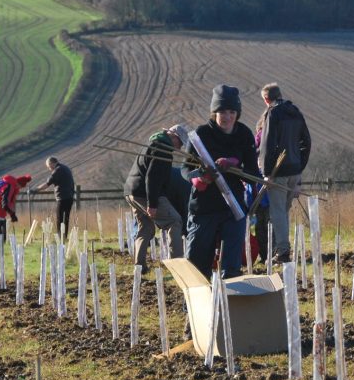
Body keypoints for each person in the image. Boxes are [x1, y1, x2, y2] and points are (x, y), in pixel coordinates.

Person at [183, 85, 260, 279]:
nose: (227, 117)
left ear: (237, 113)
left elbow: (254, 174)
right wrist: (199, 179)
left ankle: (229, 305)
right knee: (198, 264)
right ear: (214, 112)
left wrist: (236, 165)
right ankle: (197, 306)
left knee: (231, 266)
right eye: (222, 112)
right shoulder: (200, 135)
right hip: (204, 208)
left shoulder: (244, 135)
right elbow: (185, 170)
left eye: (232, 112)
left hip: (233, 209)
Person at [256, 83, 311, 264]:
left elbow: (268, 144)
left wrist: (266, 172)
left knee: (278, 211)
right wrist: (300, 166)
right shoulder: (295, 111)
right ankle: (282, 248)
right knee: (284, 211)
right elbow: (306, 141)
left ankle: (283, 252)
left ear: (266, 99)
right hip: (294, 170)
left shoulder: (273, 113)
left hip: (278, 172)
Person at [123, 124, 189, 269]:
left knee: (146, 227)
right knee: (175, 221)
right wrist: (152, 204)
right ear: (173, 136)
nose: (180, 147)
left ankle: (139, 266)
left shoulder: (153, 143)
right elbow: (152, 178)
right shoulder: (162, 150)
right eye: (180, 143)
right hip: (144, 194)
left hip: (131, 191)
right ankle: (178, 265)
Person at [35, 157, 75, 237]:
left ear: (52, 163)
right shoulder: (65, 168)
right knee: (65, 218)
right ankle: (64, 236)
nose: (49, 169)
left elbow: (47, 184)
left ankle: (60, 237)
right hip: (69, 196)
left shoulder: (58, 170)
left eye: (49, 166)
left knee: (60, 218)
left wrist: (36, 190)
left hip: (63, 198)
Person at [0, 173, 32, 240]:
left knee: (0, 232)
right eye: (21, 187)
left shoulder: (9, 185)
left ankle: (0, 246)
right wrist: (12, 215)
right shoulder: (10, 187)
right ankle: (0, 247)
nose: (19, 188)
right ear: (18, 184)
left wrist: (12, 214)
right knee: (1, 235)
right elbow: (5, 204)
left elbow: (8, 203)